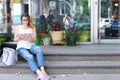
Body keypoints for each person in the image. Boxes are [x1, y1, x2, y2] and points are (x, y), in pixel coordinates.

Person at [14, 13, 50, 80]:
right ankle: (39, 73)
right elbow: (15, 39)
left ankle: (43, 70)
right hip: (21, 47)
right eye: (24, 20)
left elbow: (34, 40)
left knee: (39, 49)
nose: (25, 21)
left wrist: (29, 39)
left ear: (29, 20)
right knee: (29, 56)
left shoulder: (32, 27)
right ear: (21, 20)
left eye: (27, 20)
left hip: (30, 46)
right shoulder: (18, 28)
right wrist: (21, 38)